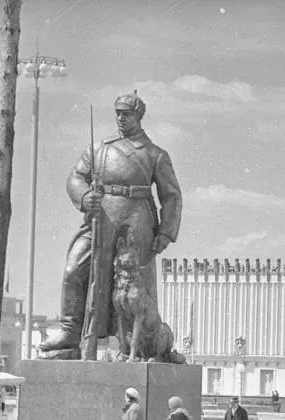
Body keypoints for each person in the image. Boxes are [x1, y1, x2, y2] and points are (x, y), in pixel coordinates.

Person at [38, 91, 182, 359]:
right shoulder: (99, 148)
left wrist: (166, 232)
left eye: (126, 113)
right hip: (100, 218)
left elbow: (171, 195)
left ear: (138, 116)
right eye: (117, 112)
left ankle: (134, 345)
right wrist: (83, 195)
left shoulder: (154, 154)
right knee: (74, 269)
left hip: (136, 220)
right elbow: (76, 177)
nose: (120, 118)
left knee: (130, 288)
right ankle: (71, 330)